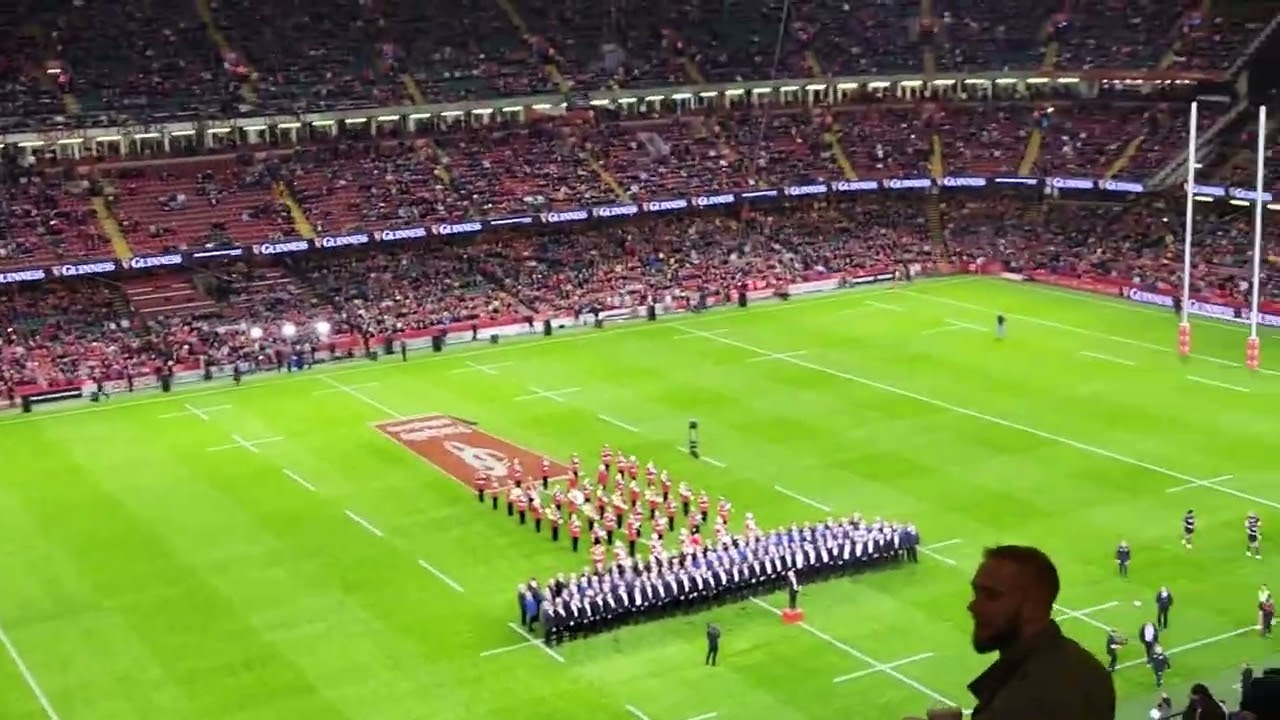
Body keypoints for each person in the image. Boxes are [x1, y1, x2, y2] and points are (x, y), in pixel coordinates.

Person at [963, 545, 1115, 720]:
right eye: (976, 593)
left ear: (1034, 606)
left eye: (992, 596)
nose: (973, 606)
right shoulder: (1080, 664)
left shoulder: (1032, 694)